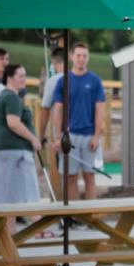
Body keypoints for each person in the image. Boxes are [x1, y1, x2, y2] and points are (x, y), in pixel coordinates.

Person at [0, 64, 43, 233]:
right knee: (28, 191)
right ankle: (39, 228)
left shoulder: (5, 96)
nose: (24, 79)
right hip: (15, 151)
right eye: (21, 76)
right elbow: (13, 122)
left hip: (5, 150)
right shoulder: (11, 97)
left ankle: (10, 235)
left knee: (8, 197)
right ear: (10, 78)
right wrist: (33, 138)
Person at [50, 42, 107, 200]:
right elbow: (58, 110)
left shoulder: (95, 81)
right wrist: (58, 137)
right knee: (70, 178)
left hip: (89, 137)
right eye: (78, 55)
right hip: (69, 137)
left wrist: (96, 136)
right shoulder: (63, 81)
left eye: (84, 56)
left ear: (88, 58)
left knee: (90, 177)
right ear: (71, 57)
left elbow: (99, 110)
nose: (81, 59)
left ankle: (90, 217)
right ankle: (74, 218)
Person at [37, 45, 66, 197]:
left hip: (61, 134)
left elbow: (45, 110)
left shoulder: (54, 80)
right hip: (81, 132)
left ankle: (65, 212)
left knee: (64, 175)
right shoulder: (79, 77)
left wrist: (40, 136)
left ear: (54, 64)